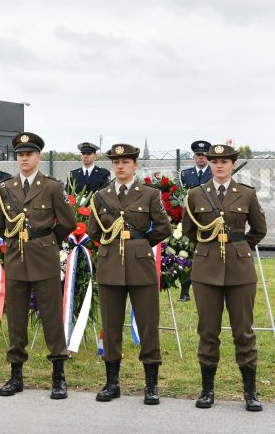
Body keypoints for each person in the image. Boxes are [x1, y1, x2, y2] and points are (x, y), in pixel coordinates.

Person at [0, 132, 76, 400]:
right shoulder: (5, 188)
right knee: (16, 318)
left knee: (51, 316)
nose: (24, 159)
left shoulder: (52, 187)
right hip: (16, 257)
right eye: (20, 155)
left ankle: (58, 375)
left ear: (38, 157)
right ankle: (16, 375)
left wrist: (46, 240)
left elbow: (68, 223)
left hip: (43, 258)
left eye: (29, 154)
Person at [183, 143, 267, 412]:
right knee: (208, 330)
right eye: (215, 162)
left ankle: (250, 392)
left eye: (225, 162)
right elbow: (189, 230)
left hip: (240, 271)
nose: (219, 166)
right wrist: (210, 247)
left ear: (232, 165)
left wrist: (239, 246)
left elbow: (259, 229)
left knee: (243, 331)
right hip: (206, 269)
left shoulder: (246, 193)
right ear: (209, 164)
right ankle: (207, 391)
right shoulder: (196, 194)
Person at [87, 143, 172, 405]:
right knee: (111, 325)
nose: (120, 166)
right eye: (116, 162)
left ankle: (151, 385)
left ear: (135, 165)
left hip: (140, 265)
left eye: (125, 162)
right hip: (110, 263)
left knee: (148, 325)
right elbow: (93, 231)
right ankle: (112, 383)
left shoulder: (149, 194)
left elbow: (163, 227)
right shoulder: (101, 196)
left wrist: (140, 244)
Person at [178, 140, 212, 301]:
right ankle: (185, 290)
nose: (201, 157)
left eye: (204, 155)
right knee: (186, 255)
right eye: (198, 155)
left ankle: (211, 288)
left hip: (209, 220)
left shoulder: (214, 173)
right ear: (194, 156)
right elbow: (181, 196)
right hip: (190, 220)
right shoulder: (185, 175)